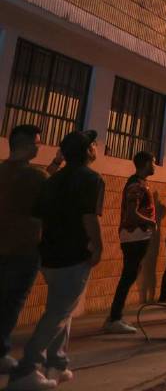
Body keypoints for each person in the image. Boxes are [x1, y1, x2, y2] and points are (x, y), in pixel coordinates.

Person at [9, 130, 103, 391]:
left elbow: (38, 217)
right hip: (73, 255)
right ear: (87, 152)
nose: (96, 148)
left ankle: (57, 364)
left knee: (62, 309)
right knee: (58, 313)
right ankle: (25, 369)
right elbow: (90, 217)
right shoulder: (91, 178)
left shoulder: (52, 180)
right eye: (93, 145)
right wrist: (98, 247)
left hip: (49, 255)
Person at [0, 125, 58, 375]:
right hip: (23, 249)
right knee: (11, 302)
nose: (39, 146)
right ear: (26, 145)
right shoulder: (36, 178)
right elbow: (49, 207)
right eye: (37, 142)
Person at [104, 150, 157, 334]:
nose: (154, 166)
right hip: (134, 235)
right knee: (129, 275)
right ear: (145, 164)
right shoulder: (136, 185)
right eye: (153, 162)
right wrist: (150, 222)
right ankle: (114, 317)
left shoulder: (141, 183)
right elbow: (131, 213)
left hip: (138, 236)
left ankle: (115, 315)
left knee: (131, 274)